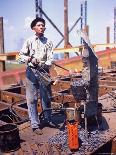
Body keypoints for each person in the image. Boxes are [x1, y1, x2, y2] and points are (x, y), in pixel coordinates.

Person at [19, 17, 55, 134]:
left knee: (46, 98)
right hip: (31, 72)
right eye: (39, 25)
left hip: (44, 72)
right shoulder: (29, 41)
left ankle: (48, 119)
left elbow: (50, 58)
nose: (41, 27)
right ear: (34, 28)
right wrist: (30, 58)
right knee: (32, 99)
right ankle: (35, 124)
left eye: (43, 25)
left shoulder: (48, 42)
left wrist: (45, 63)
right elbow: (20, 56)